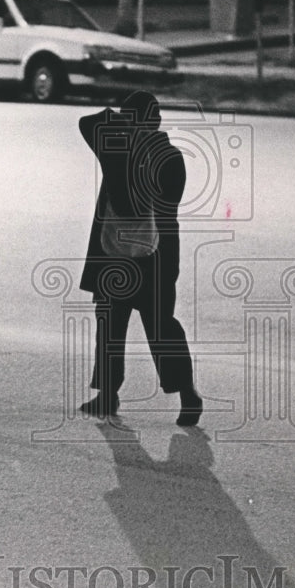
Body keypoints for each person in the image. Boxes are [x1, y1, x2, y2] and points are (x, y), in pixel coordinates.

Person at [78, 89, 202, 426]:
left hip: (127, 254)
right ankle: (183, 394)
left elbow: (88, 122)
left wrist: (125, 126)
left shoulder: (119, 149)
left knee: (114, 326)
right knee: (156, 327)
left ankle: (114, 394)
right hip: (157, 255)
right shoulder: (170, 155)